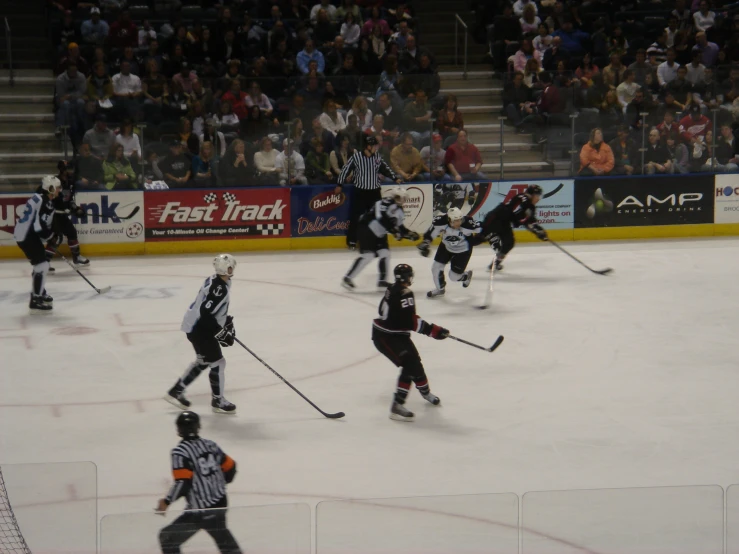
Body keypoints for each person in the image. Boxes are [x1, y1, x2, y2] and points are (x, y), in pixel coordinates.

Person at [156, 411, 242, 554]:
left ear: (178, 430)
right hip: (221, 502)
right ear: (198, 427)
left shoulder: (180, 452)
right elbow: (231, 467)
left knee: (168, 538)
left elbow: (183, 482)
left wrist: (167, 501)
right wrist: (218, 484)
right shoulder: (210, 445)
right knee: (223, 539)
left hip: (201, 510)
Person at [372, 263, 447, 421]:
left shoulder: (393, 288)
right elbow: (410, 321)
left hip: (396, 334)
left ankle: (425, 393)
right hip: (386, 336)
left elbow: (402, 318)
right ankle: (397, 404)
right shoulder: (405, 293)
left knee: (415, 363)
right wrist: (434, 331)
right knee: (409, 364)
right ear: (407, 277)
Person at [165, 254, 239, 414]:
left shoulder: (218, 281)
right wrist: (219, 330)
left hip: (194, 326)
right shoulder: (218, 288)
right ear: (224, 268)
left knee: (203, 361)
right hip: (200, 329)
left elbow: (209, 309)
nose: (233, 269)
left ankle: (176, 391)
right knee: (218, 363)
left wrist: (223, 320)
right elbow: (206, 312)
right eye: (230, 266)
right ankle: (218, 400)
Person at [342, 187, 419, 290]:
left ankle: (382, 281)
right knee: (368, 255)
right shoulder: (382, 203)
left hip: (380, 233)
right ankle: (347, 278)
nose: (402, 200)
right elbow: (381, 218)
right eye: (400, 197)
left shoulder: (400, 211)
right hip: (366, 229)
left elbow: (400, 228)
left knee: (385, 254)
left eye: (404, 198)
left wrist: (409, 234)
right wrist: (394, 231)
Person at [336, 135, 403, 250]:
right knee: (357, 217)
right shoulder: (356, 157)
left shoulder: (376, 157)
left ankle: (379, 240)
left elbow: (385, 168)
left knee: (378, 216)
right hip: (360, 192)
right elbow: (345, 170)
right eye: (374, 146)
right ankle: (352, 240)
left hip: (374, 192)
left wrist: (394, 177)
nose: (376, 148)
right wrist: (339, 184)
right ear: (368, 146)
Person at [472, 184, 547, 272]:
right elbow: (521, 217)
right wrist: (535, 229)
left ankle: (496, 263)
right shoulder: (523, 198)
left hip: (504, 222)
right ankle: (460, 244)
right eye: (537, 196)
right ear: (532, 194)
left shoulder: (530, 205)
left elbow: (530, 220)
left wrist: (539, 231)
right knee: (480, 238)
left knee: (509, 243)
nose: (538, 199)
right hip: (495, 219)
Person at [14, 176, 61, 313]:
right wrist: (51, 237)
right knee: (42, 265)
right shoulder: (45, 202)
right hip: (28, 236)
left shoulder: (38, 197)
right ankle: (36, 298)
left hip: (24, 234)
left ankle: (40, 291)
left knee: (40, 265)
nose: (59, 190)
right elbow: (38, 226)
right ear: (51, 188)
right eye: (57, 187)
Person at [417, 207, 480, 298]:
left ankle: (466, 276)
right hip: (446, 247)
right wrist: (425, 243)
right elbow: (431, 234)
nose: (458, 222)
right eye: (455, 220)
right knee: (435, 268)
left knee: (453, 277)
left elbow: (483, 229)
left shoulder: (468, 224)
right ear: (449, 220)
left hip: (463, 250)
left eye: (460, 220)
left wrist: (492, 236)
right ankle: (440, 289)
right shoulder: (440, 222)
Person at [44, 160, 89, 272]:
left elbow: (70, 199)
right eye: (68, 169)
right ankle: (44, 262)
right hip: (54, 215)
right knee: (57, 238)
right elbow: (51, 198)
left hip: (62, 215)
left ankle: (77, 257)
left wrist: (75, 208)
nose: (70, 171)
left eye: (71, 169)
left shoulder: (70, 182)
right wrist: (62, 208)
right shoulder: (55, 182)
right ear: (62, 170)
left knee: (72, 233)